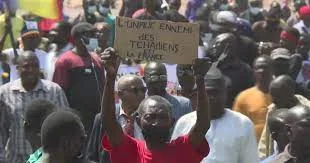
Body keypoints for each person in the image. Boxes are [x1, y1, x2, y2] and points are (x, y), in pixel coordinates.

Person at [100, 48, 211, 163]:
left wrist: (200, 80)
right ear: (138, 121)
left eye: (162, 117)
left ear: (172, 122)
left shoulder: (182, 149)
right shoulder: (130, 149)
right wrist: (110, 77)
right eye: (150, 117)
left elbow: (202, 125)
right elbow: (109, 121)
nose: (156, 123)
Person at [172, 67, 259, 163]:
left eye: (216, 92)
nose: (211, 98)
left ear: (225, 93)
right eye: (207, 93)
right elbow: (175, 158)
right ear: (198, 95)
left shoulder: (243, 124)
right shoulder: (184, 123)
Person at [0, 51, 68, 163]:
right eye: (26, 66)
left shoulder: (54, 91)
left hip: (47, 159)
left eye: (35, 66)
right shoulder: (5, 93)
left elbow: (65, 126)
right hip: (15, 158)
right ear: (18, 68)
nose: (31, 70)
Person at [53, 22, 105, 134]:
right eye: (89, 35)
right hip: (75, 119)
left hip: (97, 118)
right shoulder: (65, 61)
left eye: (93, 35)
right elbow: (60, 93)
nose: (93, 38)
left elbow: (103, 87)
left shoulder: (97, 59)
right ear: (77, 38)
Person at [86, 75, 146, 163]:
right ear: (120, 94)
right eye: (135, 90)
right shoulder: (103, 119)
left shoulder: (149, 119)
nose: (141, 94)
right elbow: (91, 155)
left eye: (143, 90)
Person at [258, 75, 310, 159]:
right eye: (273, 98)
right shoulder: (273, 109)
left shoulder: (307, 111)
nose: (273, 102)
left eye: (276, 98)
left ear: (290, 93)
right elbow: (265, 142)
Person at [233, 55, 273, 141]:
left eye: (265, 67)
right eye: (258, 68)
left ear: (272, 69)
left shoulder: (281, 94)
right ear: (253, 71)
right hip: (252, 147)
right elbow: (236, 125)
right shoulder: (243, 97)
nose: (261, 70)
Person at [210, 33, 255, 107]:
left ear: (228, 47)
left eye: (218, 44)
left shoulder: (245, 71)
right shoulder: (209, 67)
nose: (214, 46)